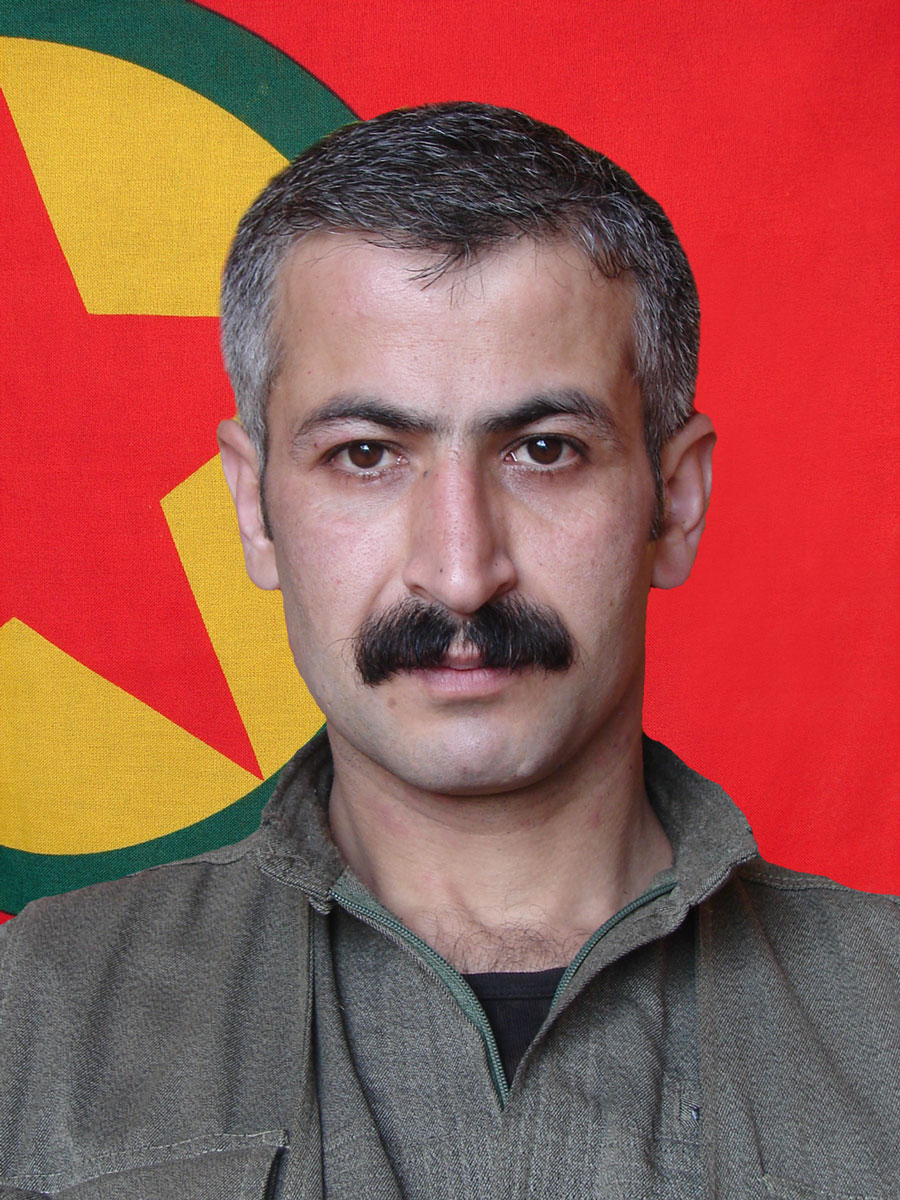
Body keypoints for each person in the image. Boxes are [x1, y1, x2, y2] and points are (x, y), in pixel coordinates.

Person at [0, 102, 896, 1199]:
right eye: (366, 454)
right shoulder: (32, 1021)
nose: (462, 572)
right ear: (253, 506)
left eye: (545, 451)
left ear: (675, 498)